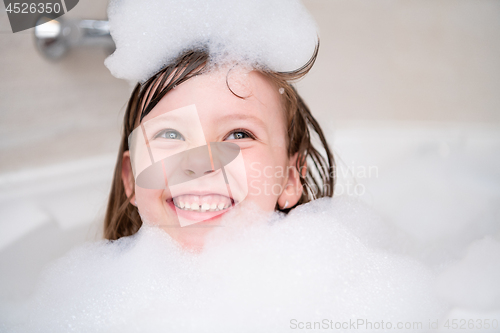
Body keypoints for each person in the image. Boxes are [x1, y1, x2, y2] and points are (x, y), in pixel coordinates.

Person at [103, 46, 335, 250]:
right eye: (170, 134)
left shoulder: (320, 289)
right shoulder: (101, 291)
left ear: (289, 179)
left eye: (238, 135)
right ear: (131, 178)